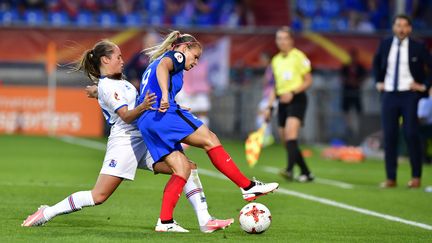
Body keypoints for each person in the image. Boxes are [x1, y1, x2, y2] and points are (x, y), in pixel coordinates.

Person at [21, 40, 234, 233]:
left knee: (186, 167)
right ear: (105, 60)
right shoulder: (109, 85)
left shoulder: (115, 82)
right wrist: (142, 105)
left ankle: (204, 220)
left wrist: (170, 108)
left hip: (144, 137)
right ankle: (46, 213)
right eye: (118, 57)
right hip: (125, 143)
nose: (123, 61)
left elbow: (114, 93)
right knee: (99, 196)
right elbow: (126, 115)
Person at [136, 30, 279, 230]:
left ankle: (165, 221)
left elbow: (151, 85)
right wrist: (167, 98)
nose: (195, 62)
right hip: (162, 114)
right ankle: (247, 187)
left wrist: (169, 99)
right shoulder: (174, 56)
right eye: (195, 57)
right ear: (184, 48)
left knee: (182, 169)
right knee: (210, 138)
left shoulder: (154, 64)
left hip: (146, 120)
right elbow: (163, 67)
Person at [373, 14, 432, 188]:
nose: (401, 29)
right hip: (389, 94)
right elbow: (376, 64)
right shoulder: (384, 44)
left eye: (405, 25)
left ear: (410, 28)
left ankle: (416, 177)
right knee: (390, 135)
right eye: (398, 25)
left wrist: (424, 86)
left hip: (409, 94)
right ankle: (391, 178)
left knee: (411, 133)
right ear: (393, 27)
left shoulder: (418, 47)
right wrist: (378, 81)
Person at [263, 26, 314, 182]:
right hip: (282, 101)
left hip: (297, 99)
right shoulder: (276, 60)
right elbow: (275, 87)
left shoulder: (298, 56)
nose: (282, 42)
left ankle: (289, 170)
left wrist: (292, 92)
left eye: (285, 38)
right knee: (286, 141)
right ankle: (306, 172)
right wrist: (269, 107)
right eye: (279, 38)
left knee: (292, 135)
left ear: (291, 40)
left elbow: (308, 80)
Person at [340, 48, 367, 144]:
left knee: (357, 112)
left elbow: (364, 77)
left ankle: (358, 131)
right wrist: (349, 82)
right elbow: (342, 77)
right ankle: (348, 129)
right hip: (347, 93)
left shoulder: (360, 67)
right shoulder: (345, 66)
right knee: (346, 112)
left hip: (356, 93)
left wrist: (357, 82)